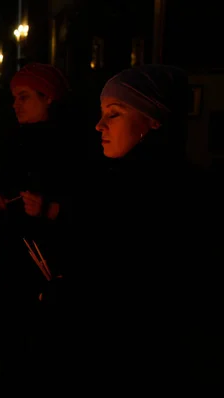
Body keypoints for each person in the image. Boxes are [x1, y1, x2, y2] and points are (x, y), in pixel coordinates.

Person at [56, 65, 223, 393]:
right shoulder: (111, 181)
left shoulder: (176, 195)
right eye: (102, 113)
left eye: (114, 114)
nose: (99, 125)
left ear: (153, 120)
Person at [0, 62, 84, 388]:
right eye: (14, 97)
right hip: (6, 252)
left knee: (38, 341)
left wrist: (49, 209)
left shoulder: (73, 144)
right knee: (4, 328)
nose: (16, 105)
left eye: (24, 97)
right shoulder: (10, 137)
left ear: (48, 98)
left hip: (44, 258)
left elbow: (86, 206)